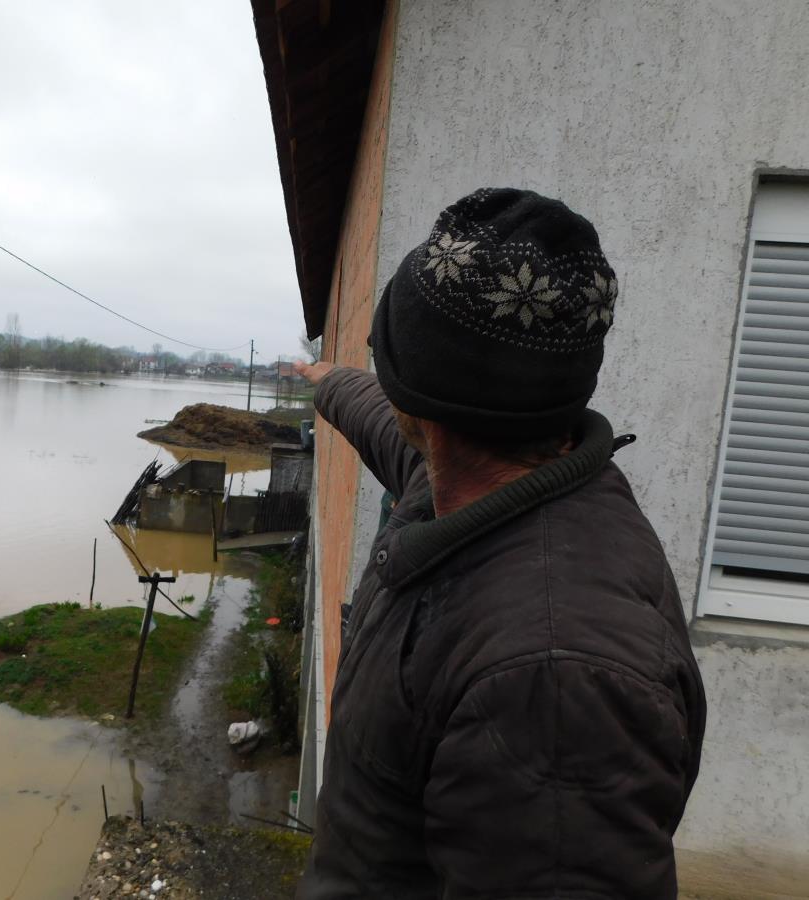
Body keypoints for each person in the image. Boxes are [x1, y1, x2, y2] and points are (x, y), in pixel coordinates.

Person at [292, 188, 706, 899]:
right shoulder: (471, 476)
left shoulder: (552, 675)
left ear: (426, 395)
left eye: (382, 352)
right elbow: (378, 418)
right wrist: (326, 378)